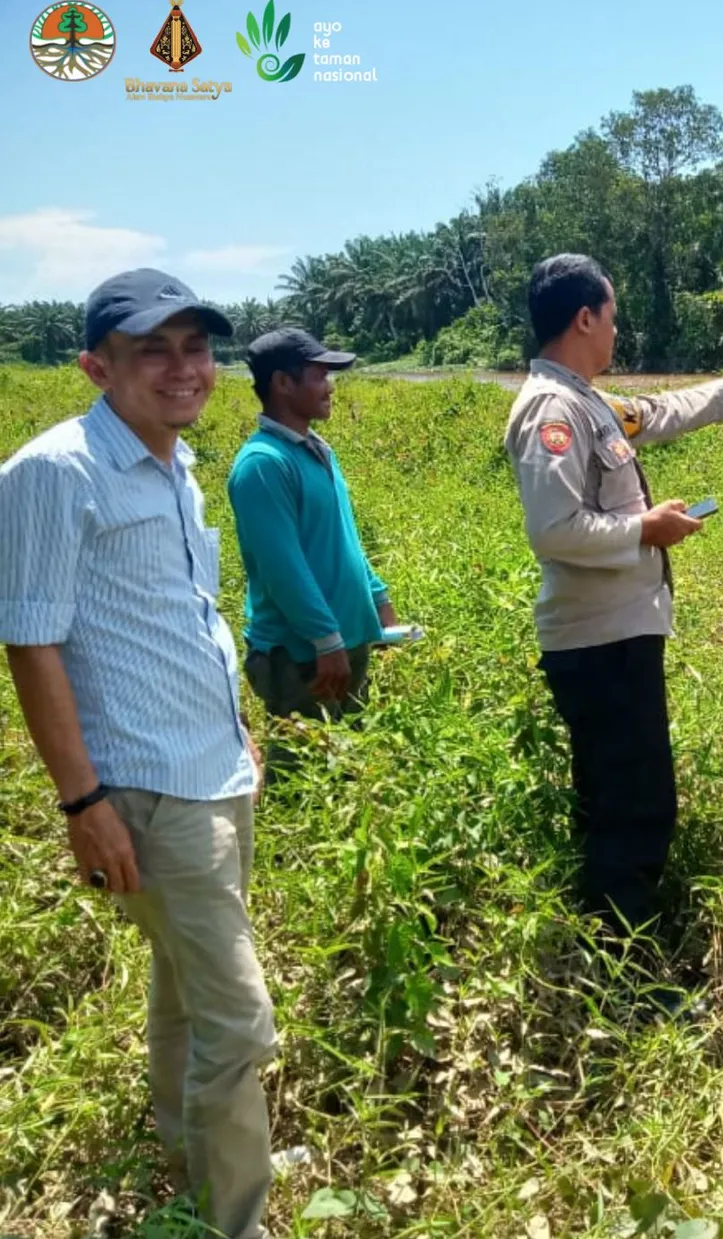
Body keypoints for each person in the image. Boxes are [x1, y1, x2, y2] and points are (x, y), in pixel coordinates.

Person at [0, 269, 278, 1237]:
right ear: (95, 364)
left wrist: (237, 718)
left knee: (183, 988)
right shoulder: (56, 470)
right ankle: (234, 1218)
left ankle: (186, 1153)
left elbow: (181, 617)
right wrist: (85, 802)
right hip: (148, 786)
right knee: (240, 1020)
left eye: (196, 346)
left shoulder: (176, 462)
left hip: (212, 766)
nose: (182, 367)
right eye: (151, 349)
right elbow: (31, 640)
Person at [503, 253, 723, 936]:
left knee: (615, 792)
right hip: (599, 640)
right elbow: (553, 529)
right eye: (612, 316)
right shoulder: (555, 408)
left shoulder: (586, 399)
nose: (617, 331)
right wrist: (648, 527)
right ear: (585, 318)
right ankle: (630, 965)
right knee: (639, 803)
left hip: (615, 633)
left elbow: (657, 412)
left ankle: (609, 935)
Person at [228, 328, 403, 780]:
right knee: (301, 780)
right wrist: (326, 640)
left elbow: (343, 539)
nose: (330, 387)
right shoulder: (263, 464)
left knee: (347, 772)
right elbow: (282, 566)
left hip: (343, 642)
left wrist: (378, 602)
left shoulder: (316, 450)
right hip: (300, 655)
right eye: (319, 376)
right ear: (283, 384)